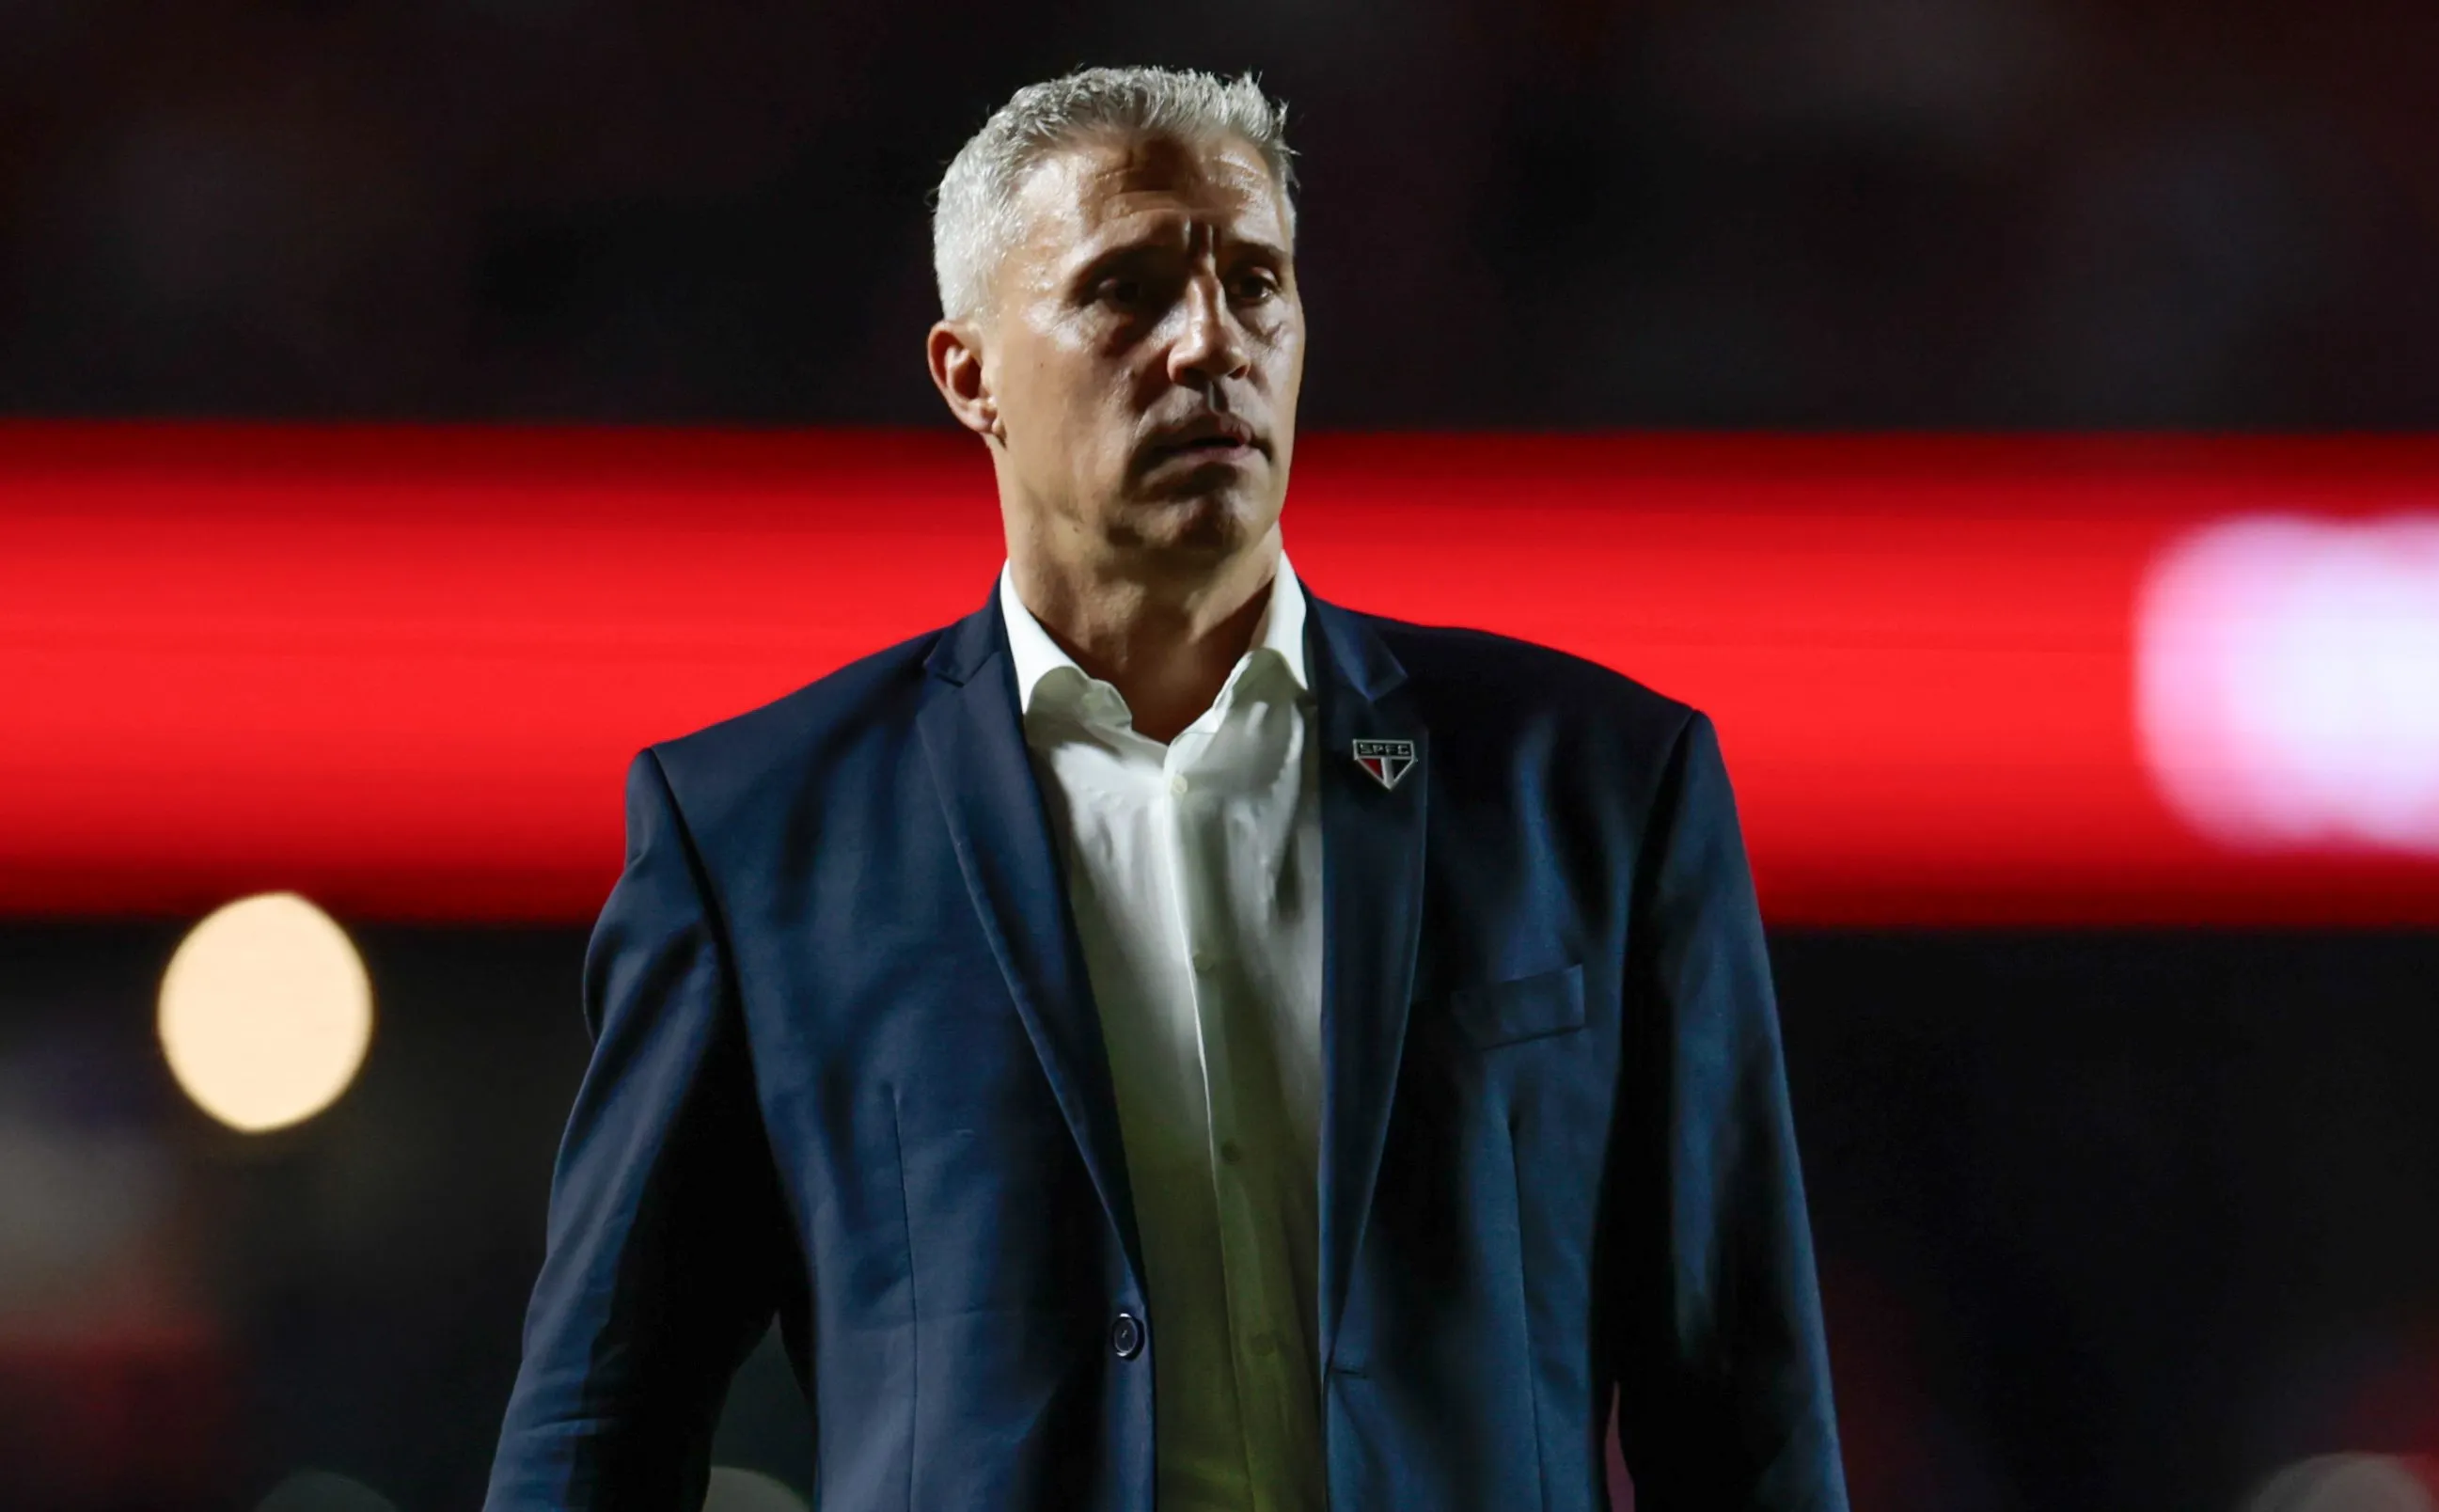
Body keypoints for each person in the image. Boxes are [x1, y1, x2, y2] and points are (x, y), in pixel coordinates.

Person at [485, 65, 1846, 1512]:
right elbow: (595, 1429)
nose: (1211, 343)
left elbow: (1742, 1412)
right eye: (1124, 292)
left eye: (1255, 284)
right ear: (968, 375)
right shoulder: (755, 837)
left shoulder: (1596, 784)